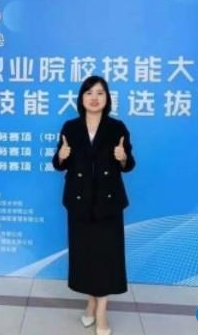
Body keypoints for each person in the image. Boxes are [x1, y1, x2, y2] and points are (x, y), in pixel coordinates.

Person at [52, 75, 135, 335]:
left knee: (107, 258)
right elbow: (59, 163)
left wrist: (123, 158)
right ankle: (90, 303)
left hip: (108, 202)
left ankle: (100, 312)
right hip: (79, 201)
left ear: (107, 98)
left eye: (100, 93)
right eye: (89, 93)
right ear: (81, 98)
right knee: (86, 257)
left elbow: (129, 164)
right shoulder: (70, 127)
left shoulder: (117, 127)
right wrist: (60, 157)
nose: (94, 98)